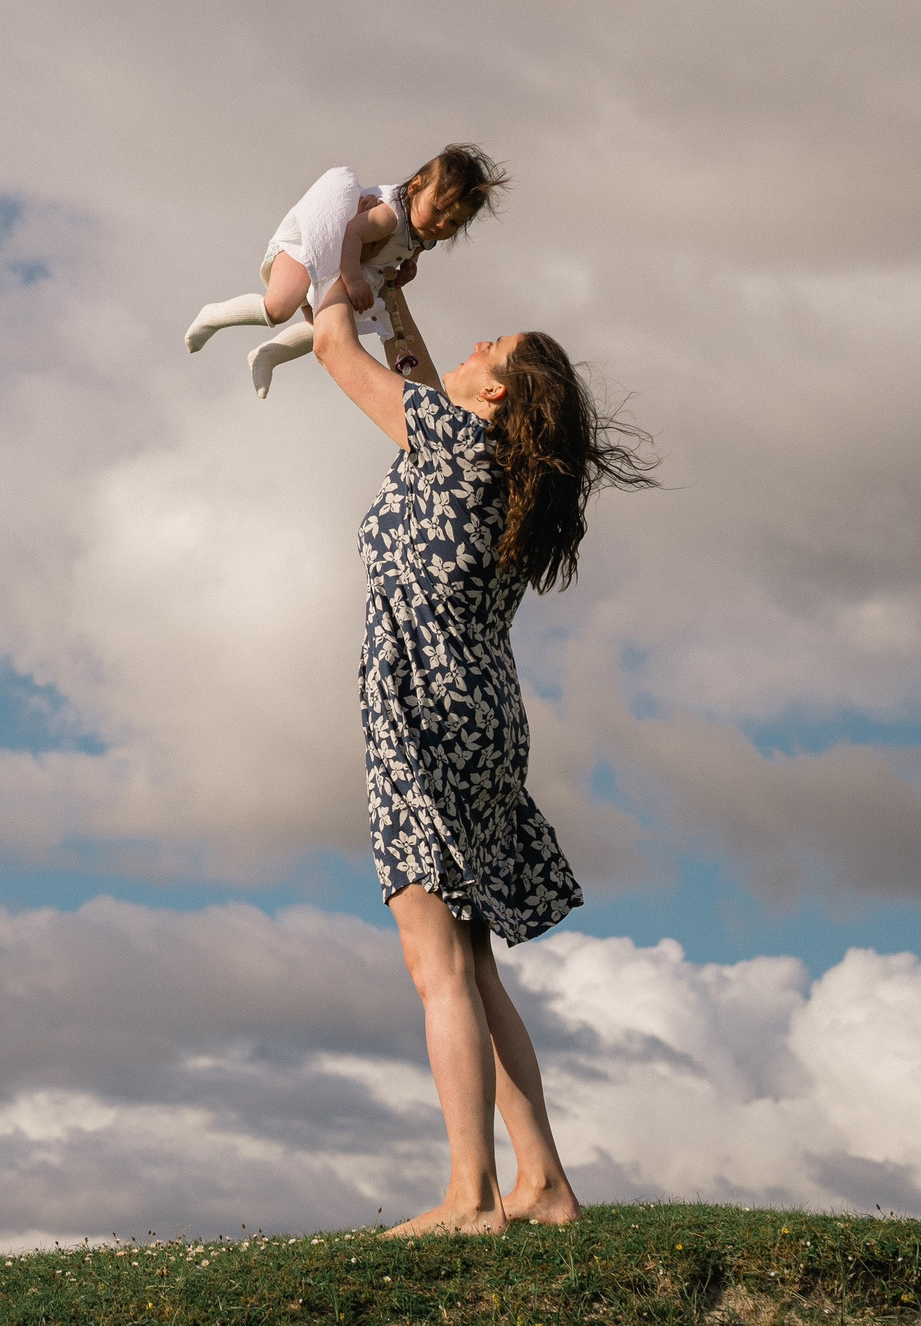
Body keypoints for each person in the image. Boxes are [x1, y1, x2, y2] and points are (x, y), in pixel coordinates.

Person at [310, 272, 656, 1238]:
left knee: (438, 967)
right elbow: (415, 365)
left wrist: (333, 259)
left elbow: (339, 348)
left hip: (426, 702)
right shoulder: (486, 455)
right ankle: (541, 1181)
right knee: (471, 963)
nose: (460, 352)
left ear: (494, 393)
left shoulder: (453, 438)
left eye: (484, 350)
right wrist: (392, 293)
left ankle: (470, 1197)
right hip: (483, 710)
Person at [183, 145, 507, 397]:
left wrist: (410, 267)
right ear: (415, 187)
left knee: (327, 329)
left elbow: (412, 248)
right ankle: (214, 314)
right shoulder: (390, 216)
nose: (440, 224)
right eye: (437, 211)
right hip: (312, 246)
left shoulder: (423, 233)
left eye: (453, 222)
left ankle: (268, 355)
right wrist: (352, 279)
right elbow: (352, 233)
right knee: (279, 307)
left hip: (345, 265)